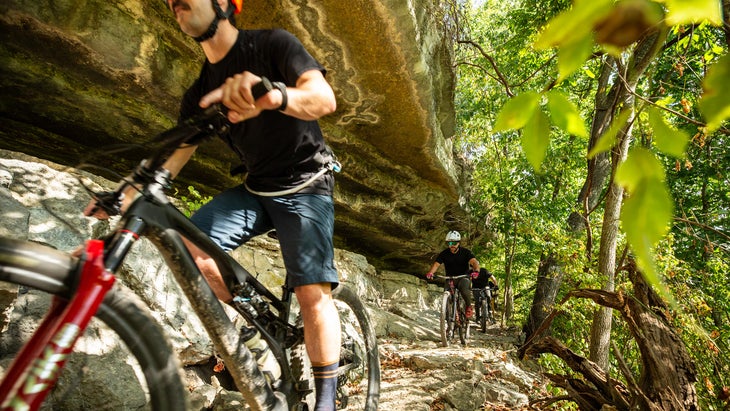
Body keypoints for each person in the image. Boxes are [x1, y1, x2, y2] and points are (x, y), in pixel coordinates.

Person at [86, 0, 341, 409]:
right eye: (171, 3)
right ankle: (262, 333)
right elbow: (167, 163)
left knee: (312, 291)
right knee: (191, 248)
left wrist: (272, 93)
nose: (176, 4)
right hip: (256, 190)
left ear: (224, 4)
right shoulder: (200, 93)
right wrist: (122, 194)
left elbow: (323, 99)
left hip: (306, 185)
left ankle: (325, 401)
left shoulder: (274, 44)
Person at [425, 231, 480, 319]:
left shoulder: (466, 252)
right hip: (450, 278)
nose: (452, 245)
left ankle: (468, 307)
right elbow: (436, 264)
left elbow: (474, 262)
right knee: (446, 297)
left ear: (459, 243)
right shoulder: (444, 254)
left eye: (454, 243)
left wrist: (476, 271)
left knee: (465, 289)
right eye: (450, 243)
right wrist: (431, 273)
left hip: (463, 277)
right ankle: (449, 323)